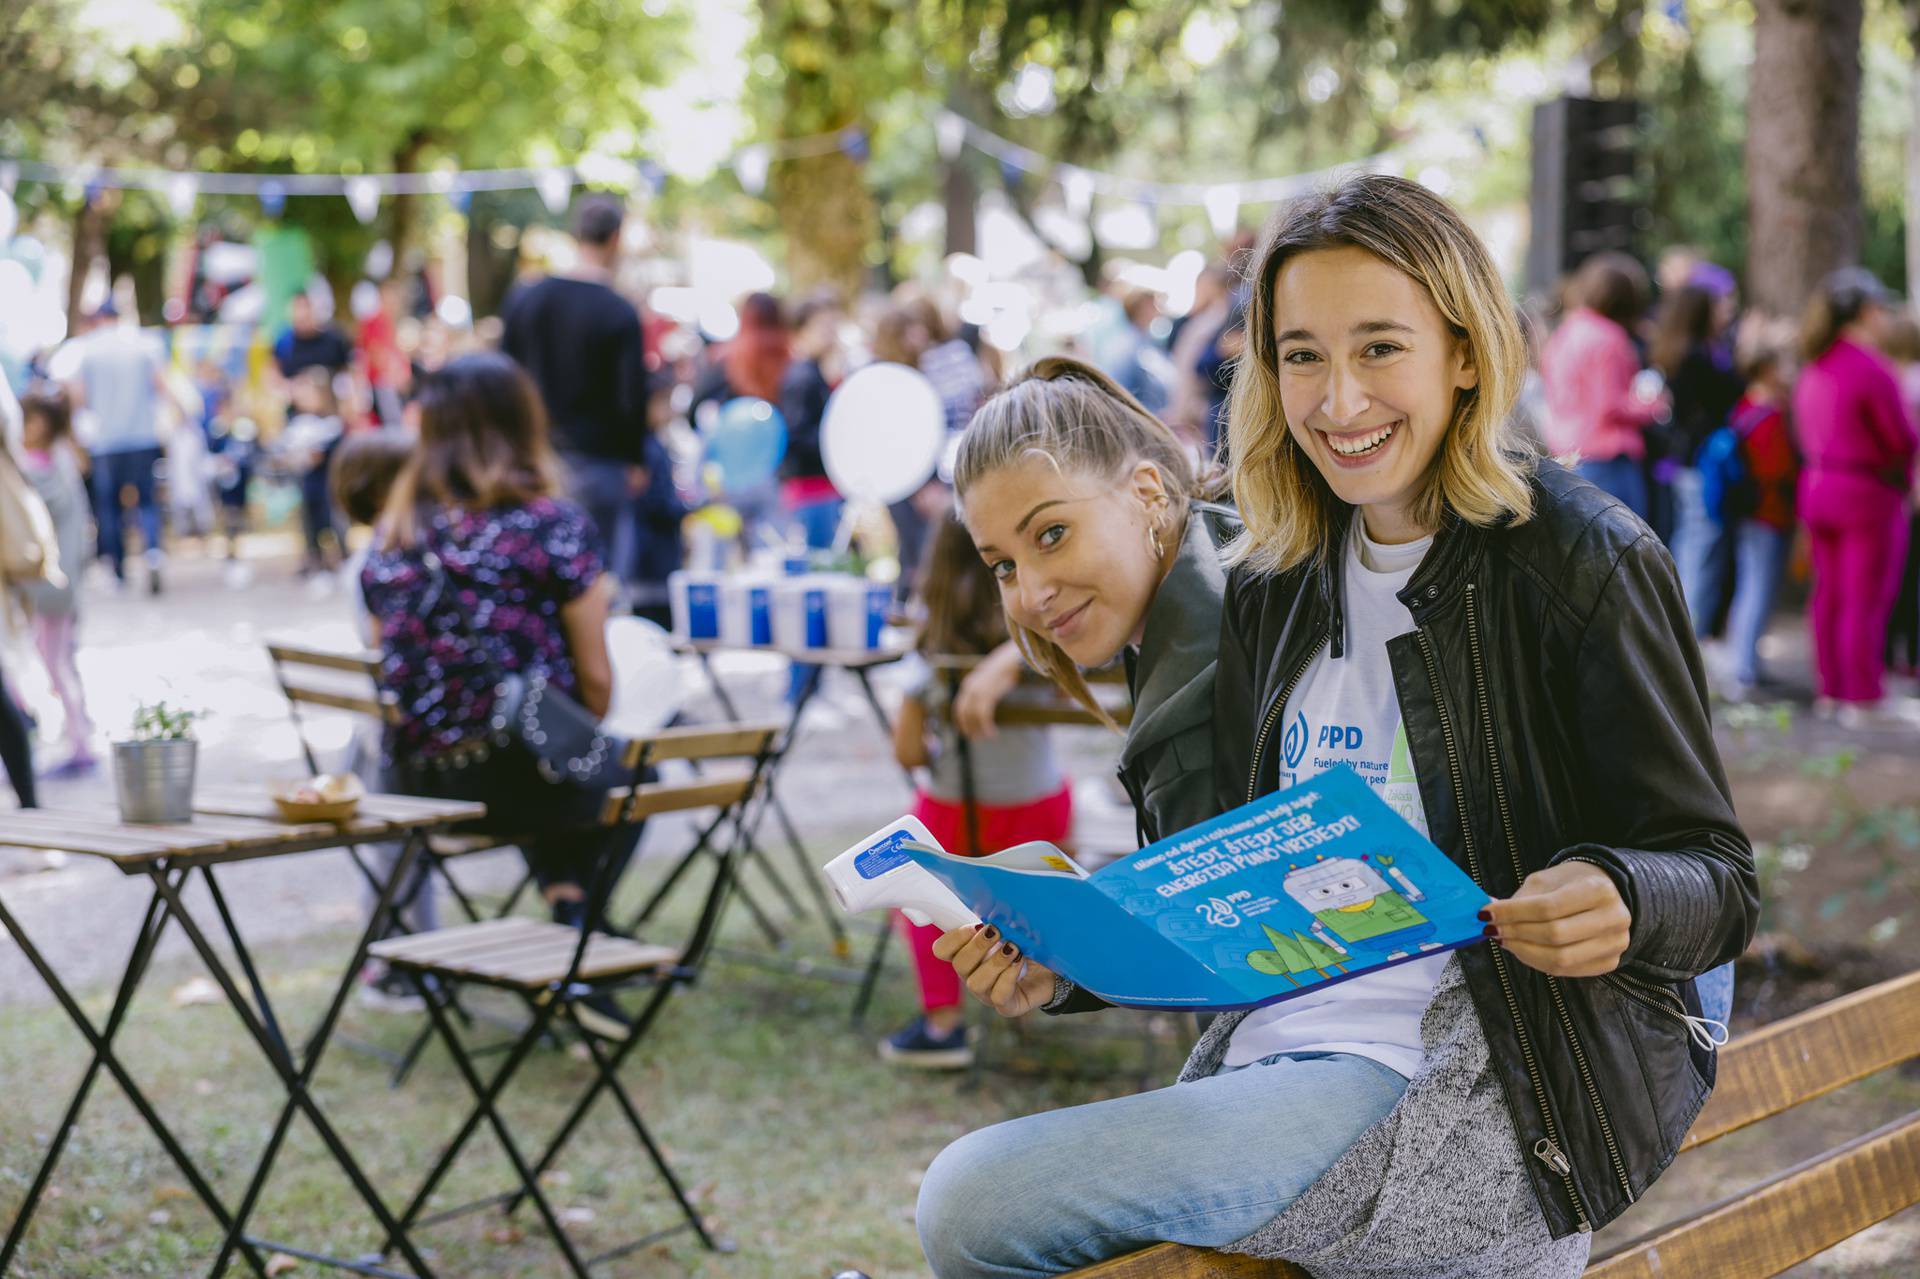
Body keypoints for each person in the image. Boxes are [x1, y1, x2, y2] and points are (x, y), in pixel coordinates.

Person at [919, 175, 1753, 1279]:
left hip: (1468, 1077)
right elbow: (1248, 892)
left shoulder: (1580, 560)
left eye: (1378, 348)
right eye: (1302, 355)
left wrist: (1623, 894)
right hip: (1277, 1054)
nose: (1338, 399)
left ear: (1465, 351)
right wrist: (1065, 945)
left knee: (968, 1200)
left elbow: (1719, 877)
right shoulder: (1274, 578)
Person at [362, 352, 638, 1038]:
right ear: (523, 426)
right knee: (620, 771)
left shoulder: (392, 537)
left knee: (552, 765)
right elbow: (596, 682)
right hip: (520, 781)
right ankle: (580, 933)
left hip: (415, 783)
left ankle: (571, 911)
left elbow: (392, 668)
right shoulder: (552, 526)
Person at [883, 516, 1074, 1069]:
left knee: (918, 893)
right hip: (1040, 815)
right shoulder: (1045, 647)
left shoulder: (930, 659)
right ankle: (1038, 987)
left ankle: (943, 1023)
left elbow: (907, 753)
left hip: (956, 818)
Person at [330, 427, 434, 1010]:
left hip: (378, 727)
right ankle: (398, 960)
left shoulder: (374, 559)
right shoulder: (385, 565)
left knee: (399, 853)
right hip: (390, 733)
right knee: (399, 851)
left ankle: (411, 955)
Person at [500, 196, 651, 584]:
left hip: (533, 458)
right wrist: (635, 458)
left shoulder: (526, 298)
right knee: (599, 579)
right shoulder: (618, 310)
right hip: (598, 463)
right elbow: (631, 395)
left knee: (540, 577)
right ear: (616, 238)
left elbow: (503, 378)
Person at [1793, 268, 1919, 725]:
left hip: (1819, 485)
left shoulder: (1816, 363)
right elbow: (1901, 438)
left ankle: (1832, 690)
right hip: (1866, 492)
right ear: (1867, 312)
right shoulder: (1869, 367)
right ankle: (1861, 694)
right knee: (1864, 597)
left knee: (1829, 595)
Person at [1539, 252, 1666, 518]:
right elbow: (1609, 406)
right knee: (1623, 549)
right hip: (1608, 459)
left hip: (1568, 455)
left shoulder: (1565, 332)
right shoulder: (1610, 339)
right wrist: (1652, 406)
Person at [1714, 321, 1801, 698]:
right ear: (1768, 369)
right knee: (1757, 587)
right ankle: (1743, 671)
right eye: (1785, 365)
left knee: (1756, 586)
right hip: (1767, 515)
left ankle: (1748, 663)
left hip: (1756, 514)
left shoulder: (1744, 406)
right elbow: (1777, 469)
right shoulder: (1767, 416)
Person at [1650, 283, 1745, 629]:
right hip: (1702, 465)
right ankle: (1688, 632)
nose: (1727, 312)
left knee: (1691, 544)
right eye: (1720, 305)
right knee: (1699, 549)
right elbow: (1731, 393)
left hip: (1689, 463)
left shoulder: (1682, 351)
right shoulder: (1698, 357)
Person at [63, 302, 173, 594]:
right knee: (148, 500)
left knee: (109, 507)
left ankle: (119, 570)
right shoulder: (145, 343)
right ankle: (152, 553)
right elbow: (161, 385)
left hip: (105, 440)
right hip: (143, 436)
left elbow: (78, 395)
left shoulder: (87, 349)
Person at [14, 388, 94, 775]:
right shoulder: (59, 461)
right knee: (56, 662)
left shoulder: (42, 468)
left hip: (50, 584)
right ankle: (76, 738)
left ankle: (80, 741)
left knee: (54, 663)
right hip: (54, 583)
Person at [777, 291, 845, 552]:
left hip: (821, 485)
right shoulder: (801, 376)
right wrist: (833, 440)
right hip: (810, 487)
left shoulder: (815, 371)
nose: (831, 332)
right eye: (823, 326)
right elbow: (796, 433)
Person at [282, 370, 346, 576]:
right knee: (310, 523)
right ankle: (315, 560)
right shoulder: (297, 424)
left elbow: (319, 455)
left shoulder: (331, 424)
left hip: (327, 484)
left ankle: (340, 559)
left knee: (333, 522)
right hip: (307, 484)